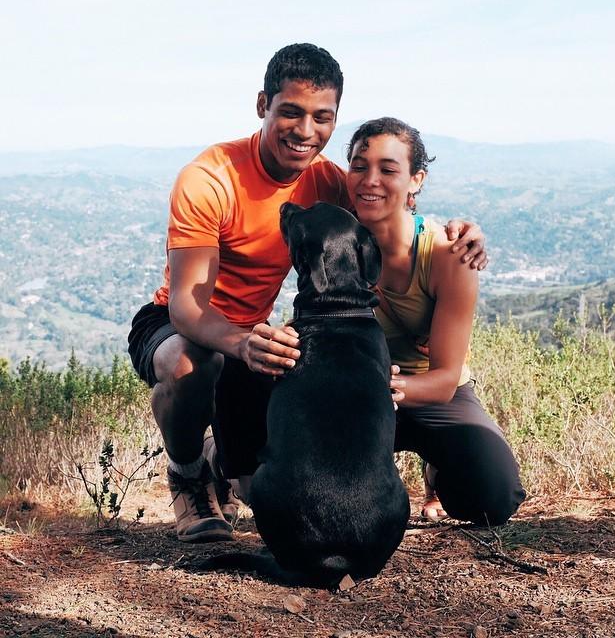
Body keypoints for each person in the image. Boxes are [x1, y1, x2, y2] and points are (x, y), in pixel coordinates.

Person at [128, 44, 488, 543]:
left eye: (322, 118)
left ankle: (220, 458)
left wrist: (458, 230)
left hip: (257, 338)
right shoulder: (209, 178)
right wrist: (240, 344)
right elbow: (189, 306)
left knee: (269, 492)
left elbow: (386, 207)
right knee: (194, 364)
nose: (304, 131)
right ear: (263, 105)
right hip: (180, 325)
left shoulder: (326, 182)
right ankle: (188, 479)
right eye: (290, 112)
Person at [346, 117, 525, 525]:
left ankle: (437, 469)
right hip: (362, 394)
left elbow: (445, 380)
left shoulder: (447, 254)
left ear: (416, 180)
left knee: (492, 497)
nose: (370, 179)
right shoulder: (336, 244)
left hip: (432, 392)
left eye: (388, 169)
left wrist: (379, 389)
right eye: (359, 166)